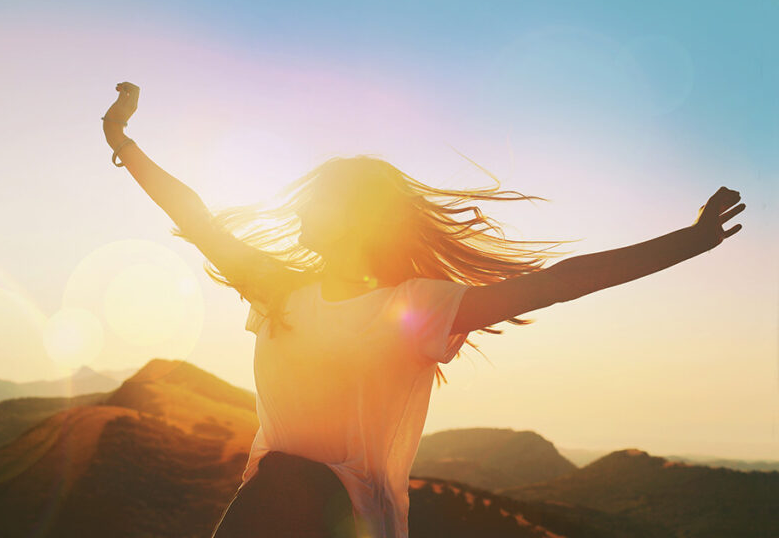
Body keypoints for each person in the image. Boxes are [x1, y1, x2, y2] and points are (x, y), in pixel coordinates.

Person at [101, 81, 745, 538]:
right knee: (280, 479)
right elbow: (194, 214)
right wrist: (123, 143)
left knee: (289, 482)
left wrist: (692, 240)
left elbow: (563, 281)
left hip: (337, 518)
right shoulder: (280, 290)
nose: (297, 211)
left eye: (314, 201)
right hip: (267, 505)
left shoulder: (415, 309)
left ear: (353, 218)